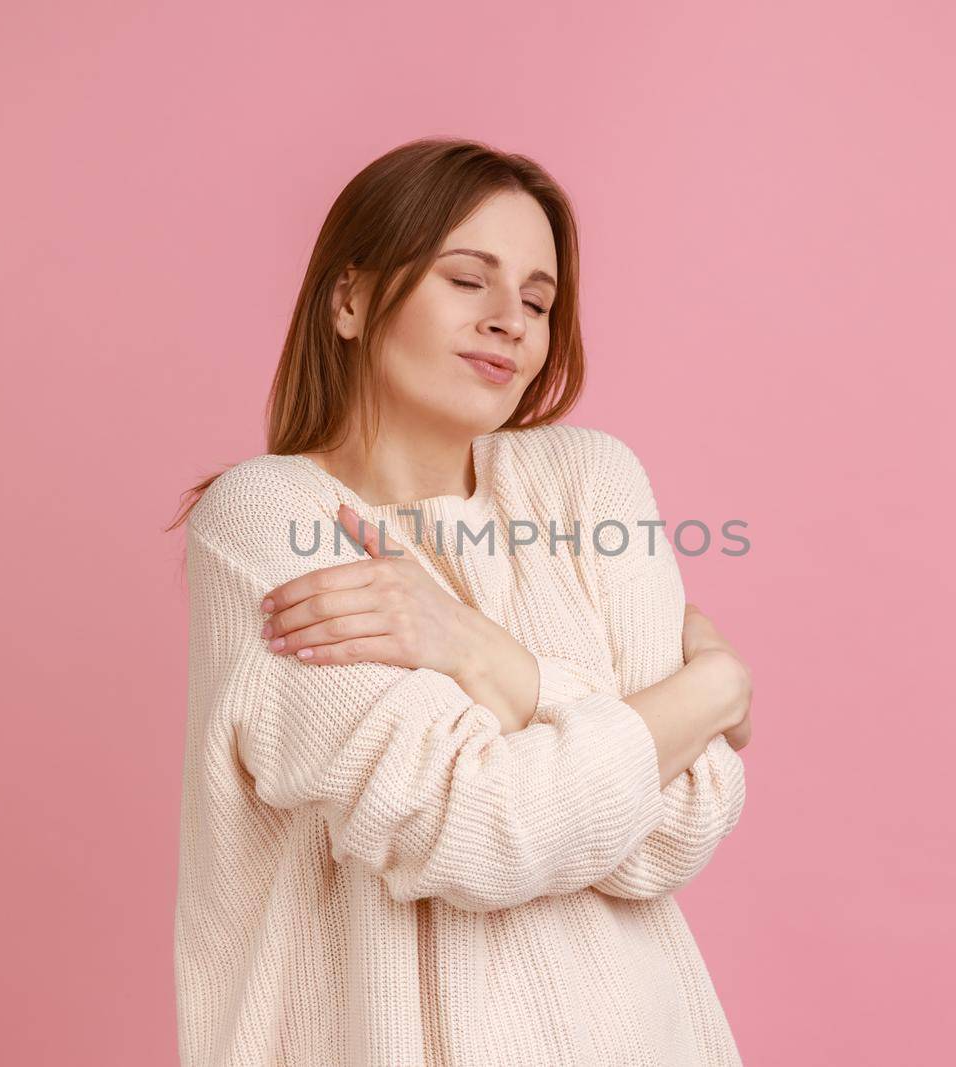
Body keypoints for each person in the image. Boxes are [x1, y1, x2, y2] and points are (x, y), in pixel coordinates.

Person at [169, 136, 755, 1066]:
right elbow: (465, 828)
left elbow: (680, 828)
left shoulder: (589, 483)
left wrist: (485, 656)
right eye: (466, 280)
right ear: (351, 298)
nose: (511, 323)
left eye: (536, 300)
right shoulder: (269, 518)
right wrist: (711, 695)